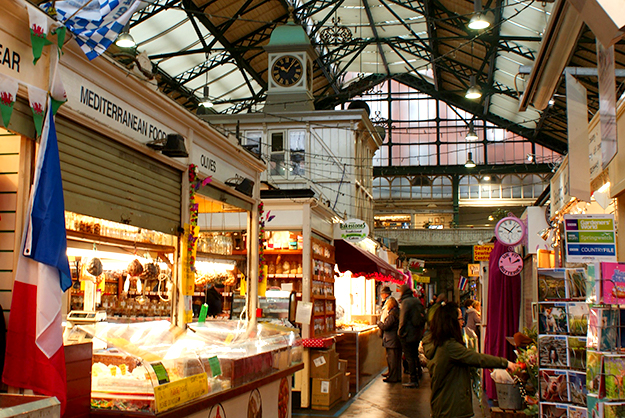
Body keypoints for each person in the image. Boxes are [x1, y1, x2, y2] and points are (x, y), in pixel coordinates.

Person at [423, 302, 518, 418]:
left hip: (442, 405)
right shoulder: (450, 347)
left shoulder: (437, 343)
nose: (463, 322)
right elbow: (478, 358)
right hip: (452, 409)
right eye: (460, 319)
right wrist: (506, 363)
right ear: (451, 322)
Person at [398, 284, 426, 388]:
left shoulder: (406, 302)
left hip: (408, 334)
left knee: (409, 357)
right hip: (417, 332)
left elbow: (403, 319)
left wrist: (400, 333)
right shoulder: (416, 301)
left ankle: (413, 380)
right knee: (415, 355)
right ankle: (419, 373)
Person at [377, 286, 402, 383]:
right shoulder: (396, 312)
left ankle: (393, 377)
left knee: (393, 359)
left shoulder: (392, 314)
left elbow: (386, 326)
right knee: (394, 359)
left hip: (392, 340)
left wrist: (379, 323)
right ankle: (395, 376)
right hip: (394, 340)